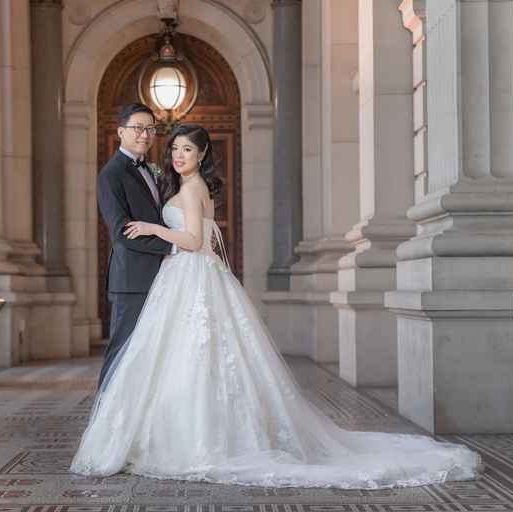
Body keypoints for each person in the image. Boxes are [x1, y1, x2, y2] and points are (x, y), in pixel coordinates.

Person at [72, 124, 482, 489]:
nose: (179, 156)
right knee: (185, 357)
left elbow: (195, 241)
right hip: (183, 278)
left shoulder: (194, 189)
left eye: (188, 151)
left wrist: (153, 227)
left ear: (202, 157)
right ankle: (176, 431)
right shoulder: (183, 187)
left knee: (197, 356)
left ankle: (199, 438)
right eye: (176, 148)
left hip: (190, 274)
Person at [96, 102, 173, 389]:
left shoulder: (151, 170)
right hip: (132, 280)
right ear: (121, 132)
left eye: (150, 128)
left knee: (151, 352)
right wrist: (171, 247)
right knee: (122, 350)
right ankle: (104, 417)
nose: (145, 134)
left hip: (162, 277)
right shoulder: (111, 174)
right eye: (138, 128)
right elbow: (121, 232)